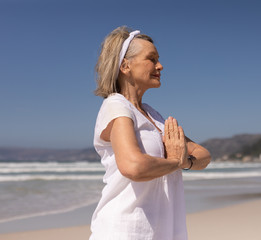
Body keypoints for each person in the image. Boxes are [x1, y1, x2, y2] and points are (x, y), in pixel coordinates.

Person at [89, 26, 211, 240]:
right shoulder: (116, 106)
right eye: (151, 59)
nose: (160, 66)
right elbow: (133, 167)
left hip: (161, 231)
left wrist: (185, 162)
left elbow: (203, 155)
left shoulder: (153, 116)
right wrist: (175, 161)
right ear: (125, 66)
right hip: (126, 231)